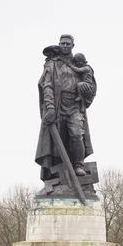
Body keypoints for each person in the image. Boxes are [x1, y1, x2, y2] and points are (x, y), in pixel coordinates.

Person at [35, 34, 97, 181]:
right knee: (58, 141)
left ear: (72, 46)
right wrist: (49, 107)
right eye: (62, 43)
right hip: (57, 107)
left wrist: (86, 88)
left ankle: (79, 165)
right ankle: (58, 172)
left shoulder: (80, 64)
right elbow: (47, 85)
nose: (64, 46)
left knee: (76, 135)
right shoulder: (52, 64)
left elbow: (91, 87)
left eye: (67, 44)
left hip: (74, 106)